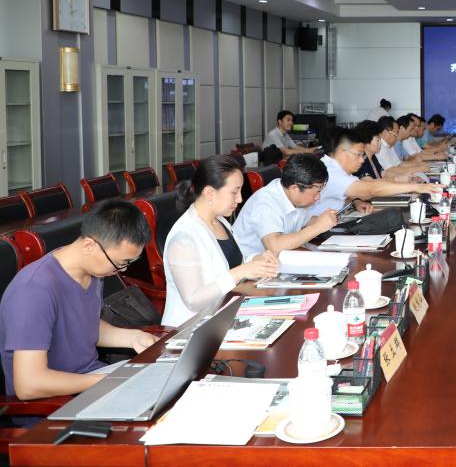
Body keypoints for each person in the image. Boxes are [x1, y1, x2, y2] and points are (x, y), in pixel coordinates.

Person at [0, 201, 159, 400]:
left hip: (90, 381)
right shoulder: (34, 290)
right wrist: (109, 381)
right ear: (89, 246)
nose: (122, 270)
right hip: (55, 403)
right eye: (120, 263)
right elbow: (29, 385)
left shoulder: (93, 271)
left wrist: (134, 338)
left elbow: (82, 326)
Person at [161, 155, 281, 327]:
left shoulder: (220, 220)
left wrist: (256, 260)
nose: (240, 199)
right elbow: (193, 300)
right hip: (190, 328)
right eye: (234, 192)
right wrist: (241, 272)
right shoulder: (184, 237)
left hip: (224, 313)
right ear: (210, 193)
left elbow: (229, 264)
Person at [308, 127, 441, 216]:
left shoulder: (337, 168)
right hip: (321, 232)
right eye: (358, 155)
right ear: (342, 153)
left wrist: (356, 201)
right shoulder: (330, 171)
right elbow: (371, 189)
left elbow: (359, 189)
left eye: (363, 155)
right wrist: (416, 187)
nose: (362, 160)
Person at [232, 153, 339, 256]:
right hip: (249, 264)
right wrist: (318, 227)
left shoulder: (293, 195)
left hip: (274, 262)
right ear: (295, 188)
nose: (318, 198)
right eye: (316, 193)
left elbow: (308, 221)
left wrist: (329, 219)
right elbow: (275, 247)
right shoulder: (265, 202)